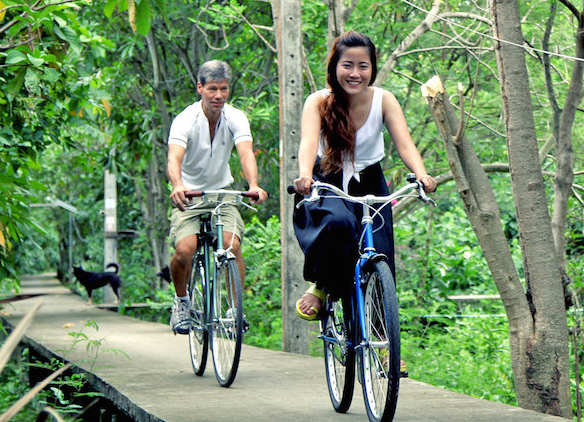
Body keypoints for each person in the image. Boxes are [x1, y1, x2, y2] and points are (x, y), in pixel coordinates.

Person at [291, 31, 437, 321]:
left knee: (379, 255)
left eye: (363, 66)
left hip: (371, 180)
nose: (355, 73)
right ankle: (322, 284)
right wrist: (305, 176)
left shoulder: (384, 100)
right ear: (335, 67)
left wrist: (422, 175)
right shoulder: (318, 101)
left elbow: (404, 143)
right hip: (326, 178)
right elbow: (308, 143)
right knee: (339, 223)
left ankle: (384, 348)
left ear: (372, 69)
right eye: (348, 65)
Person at [167, 60, 267, 333]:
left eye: (224, 89)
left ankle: (235, 311)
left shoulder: (235, 117)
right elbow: (174, 158)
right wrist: (177, 185)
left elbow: (245, 153)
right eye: (212, 89)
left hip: (222, 194)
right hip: (189, 195)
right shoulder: (185, 119)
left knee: (232, 246)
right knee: (185, 250)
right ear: (200, 88)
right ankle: (182, 302)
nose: (219, 95)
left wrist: (254, 184)